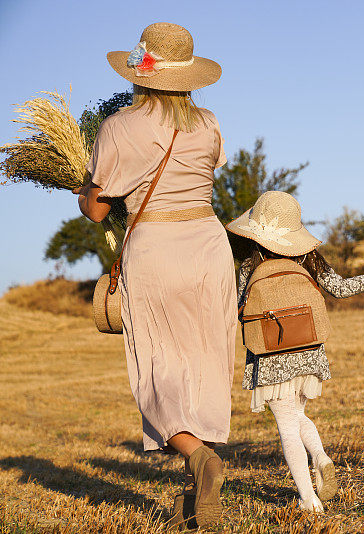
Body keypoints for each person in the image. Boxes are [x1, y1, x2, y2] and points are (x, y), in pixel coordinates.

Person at [74, 23, 234, 529]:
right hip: (210, 247)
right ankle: (198, 494)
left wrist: (81, 186)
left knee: (159, 368)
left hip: (157, 250)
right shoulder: (207, 123)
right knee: (205, 364)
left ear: (140, 73)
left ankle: (198, 458)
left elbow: (98, 211)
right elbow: (207, 174)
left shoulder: (120, 126)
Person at [227, 191, 364, 512]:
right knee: (298, 415)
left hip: (270, 355)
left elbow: (238, 310)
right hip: (308, 352)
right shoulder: (310, 260)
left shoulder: (249, 266)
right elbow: (341, 289)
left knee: (287, 427)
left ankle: (308, 499)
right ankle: (320, 456)